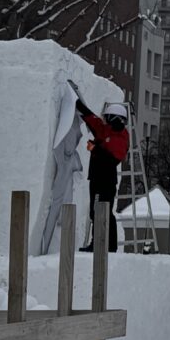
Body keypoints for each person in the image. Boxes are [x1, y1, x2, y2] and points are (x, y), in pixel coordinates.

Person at [70, 83, 129, 253]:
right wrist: (78, 104)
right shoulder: (107, 131)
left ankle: (103, 245)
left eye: (107, 117)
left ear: (113, 118)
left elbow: (112, 159)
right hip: (96, 177)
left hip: (106, 179)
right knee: (97, 211)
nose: (104, 120)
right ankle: (104, 244)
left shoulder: (121, 137)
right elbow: (94, 121)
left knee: (102, 211)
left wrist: (95, 149)